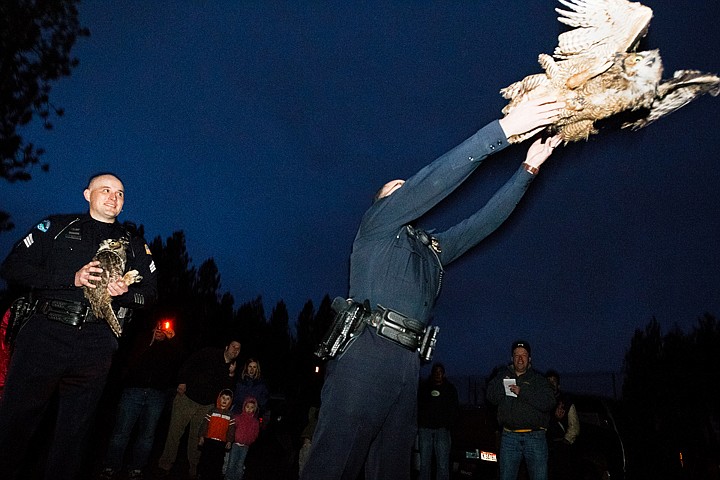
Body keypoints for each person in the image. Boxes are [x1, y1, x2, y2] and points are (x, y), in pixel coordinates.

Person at [300, 97, 565, 480]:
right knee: (334, 463)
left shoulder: (430, 251)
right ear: (382, 204)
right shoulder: (375, 227)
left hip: (408, 365)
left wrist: (528, 169)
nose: (403, 187)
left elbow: (482, 224)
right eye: (396, 188)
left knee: (392, 467)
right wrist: (502, 132)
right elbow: (433, 182)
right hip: (365, 356)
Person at [0, 173, 158, 480]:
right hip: (45, 333)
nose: (114, 197)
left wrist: (125, 294)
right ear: (88, 194)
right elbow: (12, 267)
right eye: (106, 190)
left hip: (96, 344)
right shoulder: (57, 227)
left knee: (74, 436)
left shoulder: (135, 245)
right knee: (15, 424)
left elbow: (150, 294)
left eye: (121, 193)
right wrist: (68, 279)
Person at [98, 319, 183, 480]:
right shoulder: (142, 340)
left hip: (157, 395)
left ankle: (136, 468)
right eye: (158, 326)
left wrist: (173, 340)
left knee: (147, 436)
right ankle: (110, 466)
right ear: (153, 327)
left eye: (164, 328)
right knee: (121, 432)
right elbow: (127, 356)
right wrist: (149, 341)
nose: (161, 330)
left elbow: (179, 358)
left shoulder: (169, 348)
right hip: (133, 391)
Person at [156, 338, 241, 479]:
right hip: (187, 399)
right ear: (227, 347)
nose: (235, 350)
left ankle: (194, 469)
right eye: (233, 346)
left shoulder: (231, 369)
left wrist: (231, 375)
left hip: (206, 406)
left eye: (238, 349)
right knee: (174, 433)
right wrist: (182, 381)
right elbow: (190, 362)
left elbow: (226, 392)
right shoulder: (209, 353)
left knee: (197, 438)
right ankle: (165, 465)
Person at [487, 341, 557, 480]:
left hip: (535, 438)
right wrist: (503, 386)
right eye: (516, 355)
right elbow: (490, 397)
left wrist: (522, 391)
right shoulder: (502, 375)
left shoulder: (539, 379)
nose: (520, 358)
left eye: (523, 355)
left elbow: (549, 403)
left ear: (529, 358)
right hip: (509, 438)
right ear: (512, 358)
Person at [417, 362, 460, 480]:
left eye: (440, 372)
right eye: (435, 372)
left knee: (442, 464)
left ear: (444, 374)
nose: (437, 374)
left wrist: (448, 425)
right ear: (432, 373)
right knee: (424, 463)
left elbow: (455, 409)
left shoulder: (450, 389)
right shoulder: (424, 388)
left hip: (442, 431)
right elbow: (418, 406)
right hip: (425, 430)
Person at [545, 369, 580, 480]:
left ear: (558, 385)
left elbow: (574, 426)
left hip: (562, 447)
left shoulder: (565, 401)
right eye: (548, 380)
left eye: (554, 381)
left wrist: (566, 441)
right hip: (544, 447)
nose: (551, 383)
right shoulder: (541, 402)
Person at [198, 389, 235, 480]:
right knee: (205, 459)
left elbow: (231, 430)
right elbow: (204, 424)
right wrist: (201, 436)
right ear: (219, 398)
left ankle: (214, 476)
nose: (225, 400)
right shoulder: (212, 411)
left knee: (217, 462)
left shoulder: (230, 415)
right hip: (209, 440)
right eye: (223, 398)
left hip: (221, 443)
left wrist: (229, 441)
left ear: (230, 402)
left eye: (228, 399)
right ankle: (202, 475)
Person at [226, 395, 260, 480]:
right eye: (247, 407)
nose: (249, 409)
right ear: (244, 406)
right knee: (231, 463)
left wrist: (250, 440)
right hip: (235, 444)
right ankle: (228, 478)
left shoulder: (255, 422)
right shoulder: (238, 418)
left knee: (240, 464)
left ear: (254, 409)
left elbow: (255, 433)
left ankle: (237, 478)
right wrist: (232, 439)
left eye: (251, 407)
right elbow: (231, 428)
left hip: (245, 446)